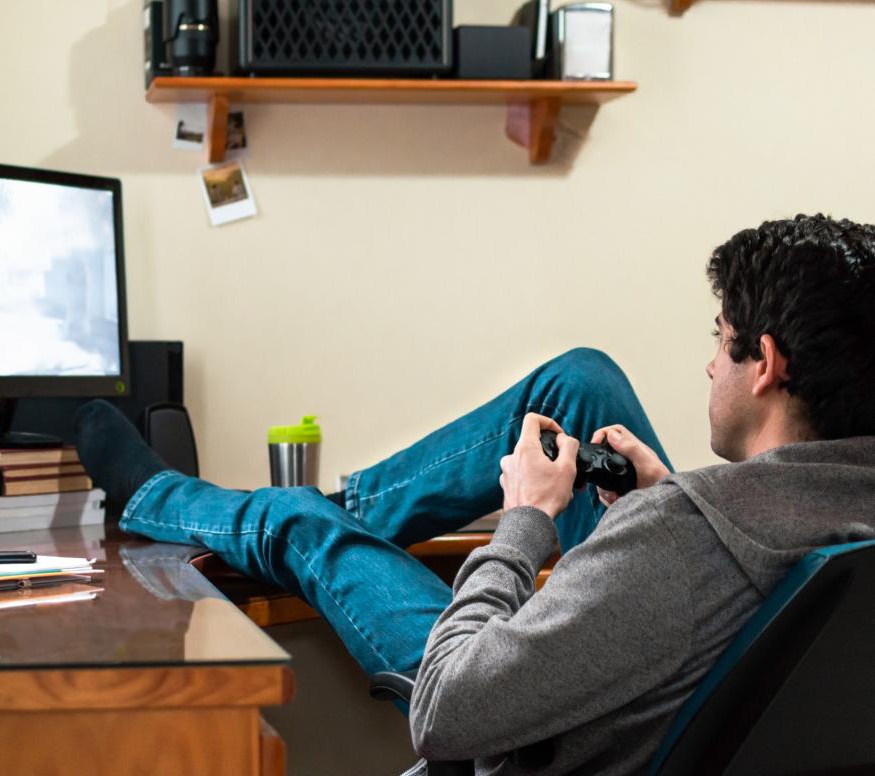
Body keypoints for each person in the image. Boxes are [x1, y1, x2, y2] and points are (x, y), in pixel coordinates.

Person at [72, 214, 875, 775]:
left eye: (719, 340)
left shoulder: (683, 535)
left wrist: (525, 521)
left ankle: (155, 495)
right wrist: (671, 494)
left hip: (510, 702)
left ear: (764, 363)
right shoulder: (835, 507)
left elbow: (448, 711)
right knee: (578, 382)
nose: (709, 365)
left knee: (304, 523)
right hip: (642, 651)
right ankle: (359, 504)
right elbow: (714, 588)